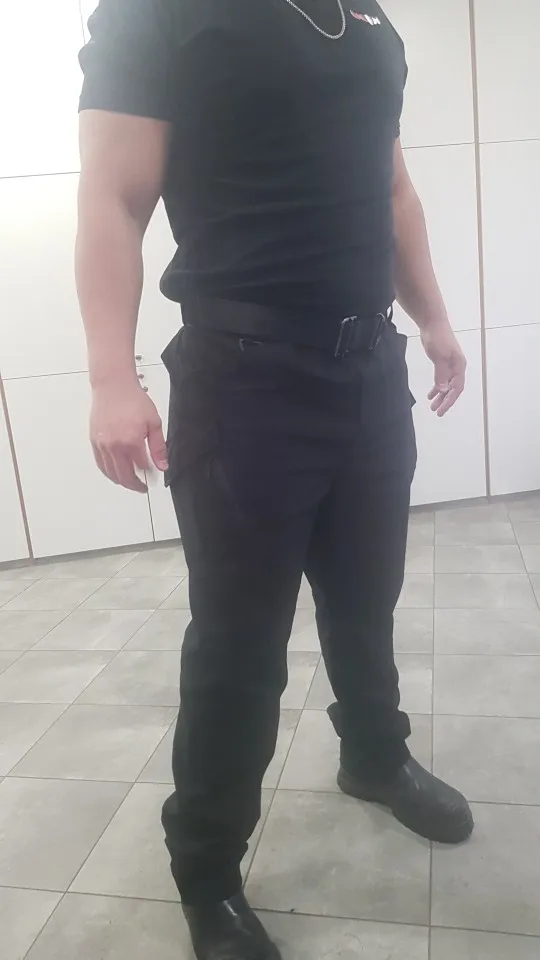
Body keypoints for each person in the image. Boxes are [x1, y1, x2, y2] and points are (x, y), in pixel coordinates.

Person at [76, 2, 472, 957]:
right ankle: (206, 869)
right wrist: (110, 378)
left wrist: (433, 319)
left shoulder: (367, 18)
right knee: (240, 646)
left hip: (368, 367)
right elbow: (113, 196)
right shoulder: (157, 12)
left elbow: (391, 187)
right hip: (243, 378)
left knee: (367, 597)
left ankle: (373, 756)